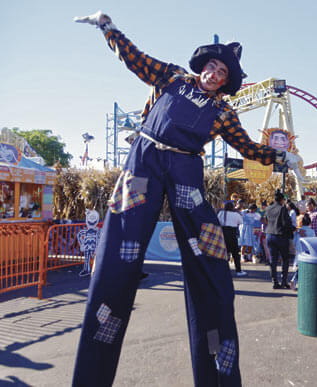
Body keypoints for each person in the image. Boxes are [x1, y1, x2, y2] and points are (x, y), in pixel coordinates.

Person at [72, 11, 302, 387]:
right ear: (203, 66)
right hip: (144, 163)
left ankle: (216, 363)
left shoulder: (222, 112)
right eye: (212, 67)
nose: (214, 74)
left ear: (226, 83)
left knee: (209, 255)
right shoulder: (172, 77)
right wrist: (108, 28)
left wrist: (281, 156)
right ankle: (91, 374)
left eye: (222, 74)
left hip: (185, 174)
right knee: (120, 249)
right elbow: (136, 59)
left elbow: (245, 146)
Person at [265, 191, 295, 289]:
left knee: (273, 260)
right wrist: (293, 229)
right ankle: (284, 281)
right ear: (282, 200)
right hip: (281, 236)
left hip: (269, 235)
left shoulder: (268, 208)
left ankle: (274, 281)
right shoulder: (282, 209)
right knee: (285, 259)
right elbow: (286, 223)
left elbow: (266, 220)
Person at [290, 213, 316, 289]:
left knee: (299, 267)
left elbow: (294, 242)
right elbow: (313, 242)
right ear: (310, 222)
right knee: (305, 268)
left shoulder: (298, 231)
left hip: (298, 251)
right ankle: (296, 280)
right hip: (307, 251)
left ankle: (294, 280)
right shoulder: (311, 231)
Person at [218, 202, 245, 276]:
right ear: (233, 208)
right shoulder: (236, 214)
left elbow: (218, 221)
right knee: (235, 253)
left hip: (223, 233)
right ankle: (238, 270)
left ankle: (223, 270)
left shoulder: (221, 213)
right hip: (232, 234)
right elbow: (241, 221)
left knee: (224, 253)